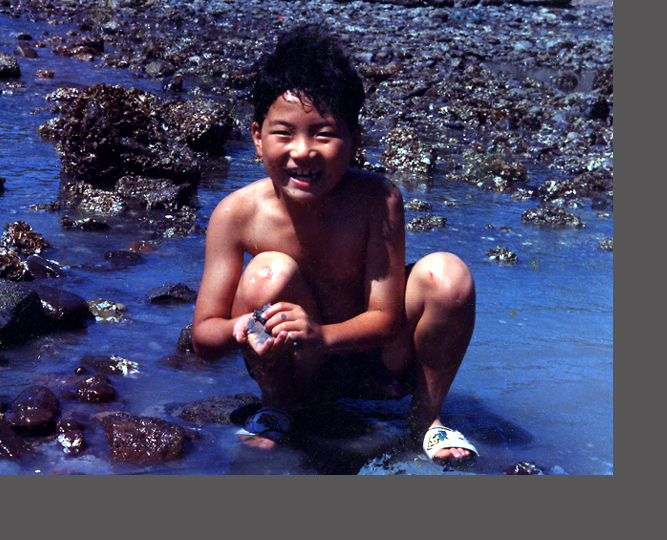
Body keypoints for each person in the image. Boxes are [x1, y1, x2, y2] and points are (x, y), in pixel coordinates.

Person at [191, 24, 477, 463]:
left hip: (378, 366)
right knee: (268, 272)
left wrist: (322, 335)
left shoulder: (378, 200)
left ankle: (426, 419)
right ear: (257, 137)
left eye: (323, 134)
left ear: (354, 140)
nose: (303, 151)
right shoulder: (236, 214)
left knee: (448, 276)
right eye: (284, 133)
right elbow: (203, 336)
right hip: (297, 369)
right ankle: (279, 407)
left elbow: (385, 317)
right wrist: (241, 326)